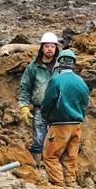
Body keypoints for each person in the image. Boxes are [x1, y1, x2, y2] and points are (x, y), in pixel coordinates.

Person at [41, 49, 90, 187]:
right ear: (73, 64)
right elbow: (85, 103)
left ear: (60, 63)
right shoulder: (81, 82)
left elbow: (48, 102)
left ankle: (58, 185)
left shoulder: (56, 81)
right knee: (70, 157)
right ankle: (71, 184)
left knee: (50, 155)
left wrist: (46, 117)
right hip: (76, 125)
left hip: (59, 125)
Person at [18, 32, 60, 165]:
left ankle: (53, 165)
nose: (49, 49)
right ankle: (37, 165)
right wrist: (24, 106)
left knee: (56, 138)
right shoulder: (33, 67)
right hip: (40, 108)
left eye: (52, 46)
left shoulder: (60, 67)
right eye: (46, 46)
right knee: (38, 138)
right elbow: (24, 88)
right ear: (42, 48)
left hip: (57, 108)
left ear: (56, 48)